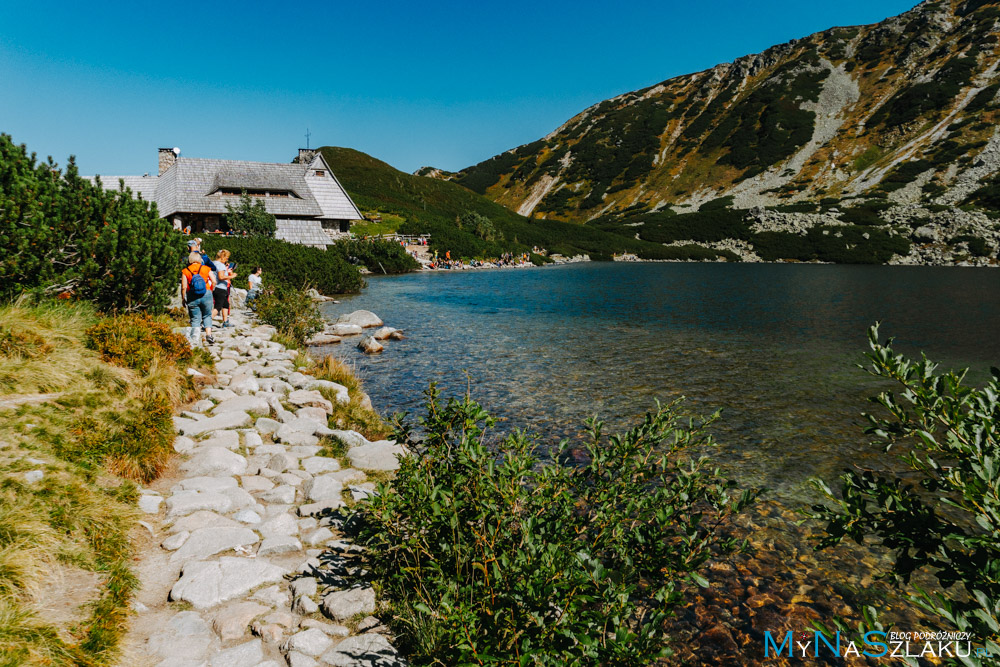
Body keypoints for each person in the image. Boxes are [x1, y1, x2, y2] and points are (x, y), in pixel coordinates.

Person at [181, 251, 215, 347]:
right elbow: (214, 281)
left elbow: (183, 287)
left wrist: (183, 298)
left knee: (195, 318)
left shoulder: (185, 270)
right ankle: (209, 335)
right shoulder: (206, 268)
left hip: (192, 295)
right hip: (206, 293)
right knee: (207, 315)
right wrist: (210, 291)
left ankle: (195, 338)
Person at [212, 249, 237, 327]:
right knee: (218, 306)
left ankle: (225, 321)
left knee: (225, 304)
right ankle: (206, 321)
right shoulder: (220, 265)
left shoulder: (213, 263)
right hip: (220, 288)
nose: (227, 259)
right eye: (226, 257)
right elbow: (221, 276)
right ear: (222, 257)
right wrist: (231, 276)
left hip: (216, 287)